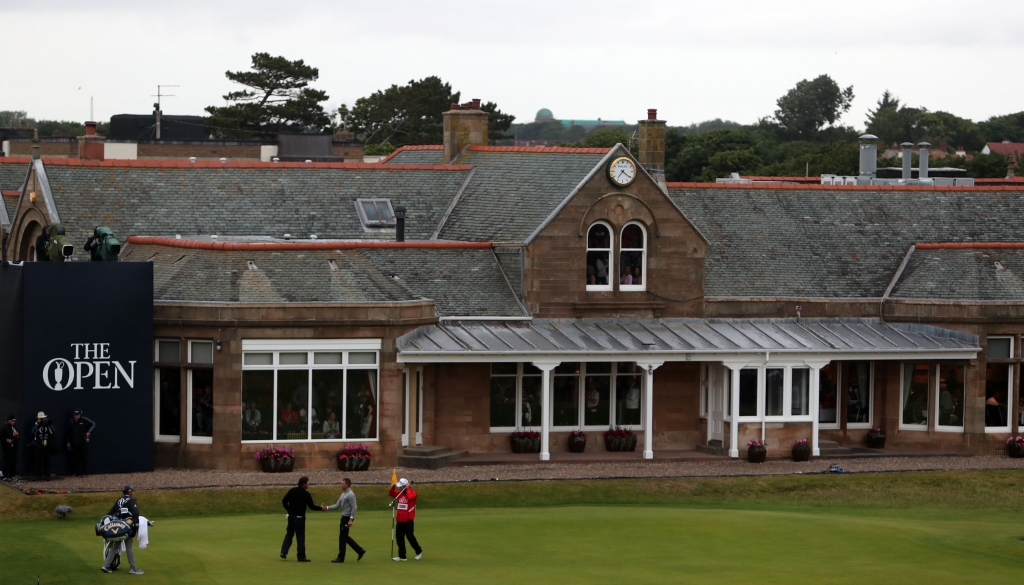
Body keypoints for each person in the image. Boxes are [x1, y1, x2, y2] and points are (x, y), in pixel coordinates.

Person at [281, 476, 325, 562]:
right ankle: (301, 556)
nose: (308, 484)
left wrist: (288, 509)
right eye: (308, 483)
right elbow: (311, 506)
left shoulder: (292, 490)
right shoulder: (306, 494)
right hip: (299, 518)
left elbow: (284, 501)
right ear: (304, 484)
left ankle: (283, 552)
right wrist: (321, 508)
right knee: (300, 536)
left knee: (289, 534)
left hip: (291, 517)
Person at [102, 486, 143, 574]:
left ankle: (106, 565)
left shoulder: (119, 501)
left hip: (117, 527)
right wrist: (137, 523)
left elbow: (110, 513)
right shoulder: (132, 501)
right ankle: (133, 568)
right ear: (129, 492)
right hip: (127, 527)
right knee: (129, 547)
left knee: (115, 545)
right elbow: (136, 514)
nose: (132, 493)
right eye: (132, 491)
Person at [325, 478, 366, 563]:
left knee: (342, 538)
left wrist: (351, 519)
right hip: (343, 517)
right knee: (345, 537)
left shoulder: (351, 494)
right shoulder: (343, 494)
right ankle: (360, 550)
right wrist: (327, 508)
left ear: (347, 485)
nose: (341, 485)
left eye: (343, 484)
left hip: (347, 518)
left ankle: (341, 557)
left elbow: (354, 507)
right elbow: (337, 505)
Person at [389, 478, 423, 562]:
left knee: (410, 536)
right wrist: (393, 486)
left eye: (401, 487)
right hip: (400, 518)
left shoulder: (413, 492)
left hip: (408, 519)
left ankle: (418, 551)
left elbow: (410, 497)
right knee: (399, 537)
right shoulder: (399, 493)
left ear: (405, 486)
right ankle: (402, 556)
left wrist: (407, 489)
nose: (399, 488)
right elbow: (391, 493)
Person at [67, 409, 96, 477]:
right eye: (75, 415)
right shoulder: (71, 422)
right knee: (75, 458)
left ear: (80, 414)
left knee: (84, 458)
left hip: (82, 442)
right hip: (74, 442)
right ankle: (77, 472)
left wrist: (89, 431)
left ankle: (85, 472)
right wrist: (68, 441)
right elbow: (68, 433)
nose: (76, 416)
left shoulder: (84, 420)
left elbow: (93, 424)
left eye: (77, 415)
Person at [30, 412, 55, 480]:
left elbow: (53, 431)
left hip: (47, 445)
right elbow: (32, 432)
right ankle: (39, 475)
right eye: (40, 419)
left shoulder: (48, 425)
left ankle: (47, 475)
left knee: (47, 460)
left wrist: (48, 424)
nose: (41, 420)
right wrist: (37, 424)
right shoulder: (37, 425)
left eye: (42, 419)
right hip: (38, 445)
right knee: (38, 460)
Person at [2, 415, 19, 481]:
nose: (14, 422)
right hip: (7, 448)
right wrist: (6, 440)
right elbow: (1, 437)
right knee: (6, 461)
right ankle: (5, 475)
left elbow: (18, 437)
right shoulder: (4, 428)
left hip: (14, 447)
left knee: (13, 461)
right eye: (12, 421)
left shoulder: (14, 428)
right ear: (9, 421)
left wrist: (17, 435)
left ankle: (12, 475)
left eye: (14, 421)